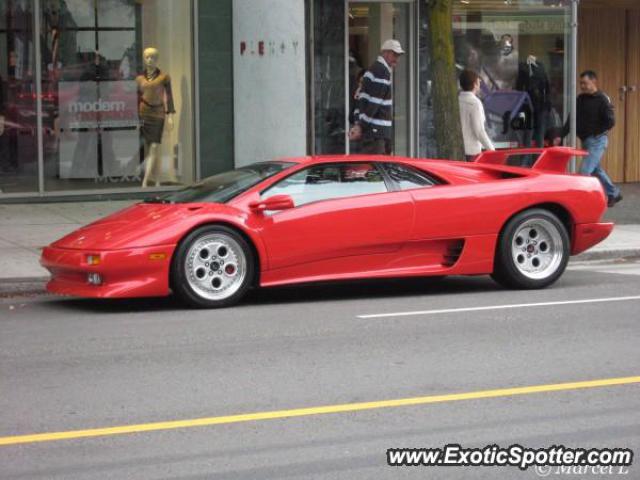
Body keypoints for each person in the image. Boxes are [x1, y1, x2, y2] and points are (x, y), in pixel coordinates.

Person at [551, 70, 622, 207]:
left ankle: (588, 201)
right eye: (581, 83)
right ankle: (614, 193)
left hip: (597, 141)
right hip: (586, 140)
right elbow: (572, 118)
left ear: (594, 82)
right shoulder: (581, 99)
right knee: (595, 169)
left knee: (584, 172)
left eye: (585, 83)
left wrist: (596, 132)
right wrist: (561, 135)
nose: (582, 86)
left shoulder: (602, 99)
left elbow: (610, 121)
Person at [348, 39, 404, 154]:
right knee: (377, 168)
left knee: (375, 168)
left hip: (374, 132)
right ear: (386, 53)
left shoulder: (373, 70)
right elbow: (374, 102)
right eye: (395, 55)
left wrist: (359, 124)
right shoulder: (381, 71)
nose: (397, 59)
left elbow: (362, 101)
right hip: (377, 133)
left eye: (398, 55)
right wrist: (360, 126)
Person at [458, 69, 495, 162]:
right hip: (471, 152)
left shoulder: (457, 100)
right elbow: (479, 131)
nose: (480, 84)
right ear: (474, 84)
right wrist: (492, 150)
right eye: (479, 82)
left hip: (458, 149)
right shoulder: (475, 103)